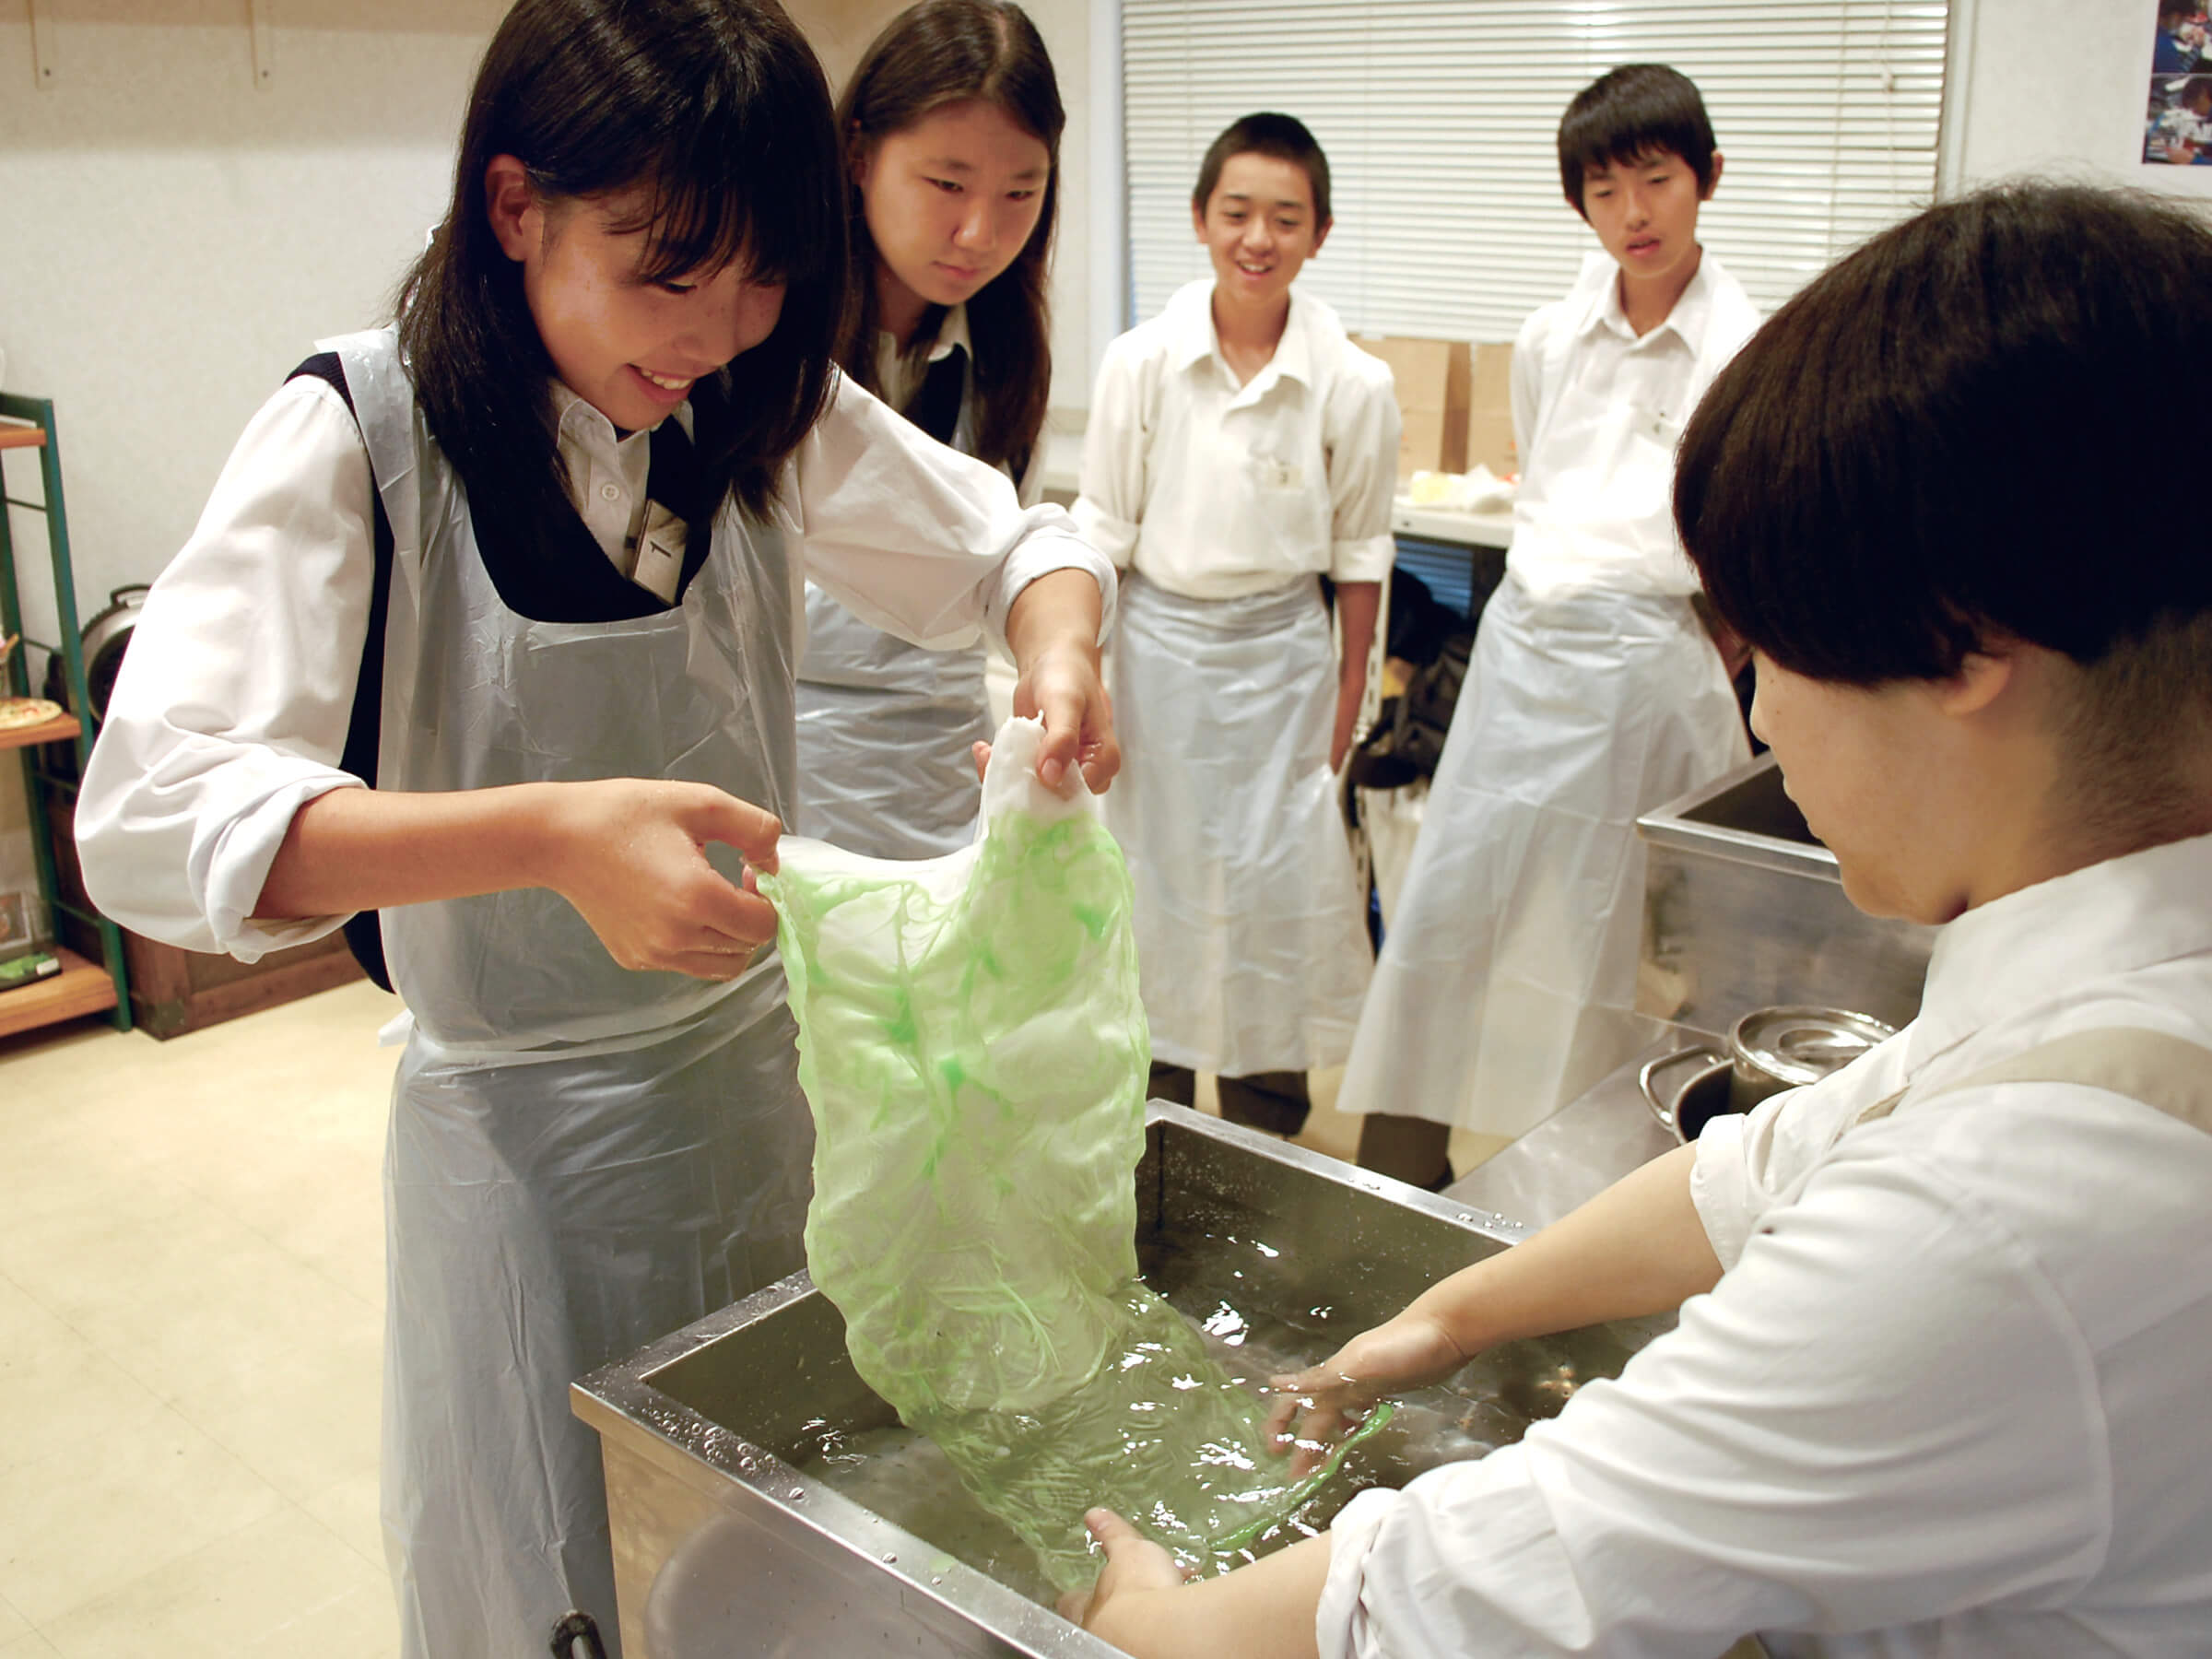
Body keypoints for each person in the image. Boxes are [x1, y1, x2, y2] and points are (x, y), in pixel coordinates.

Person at [71, 1, 1118, 1653]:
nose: (715, 327)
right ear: (515, 210)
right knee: (549, 1567)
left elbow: (1005, 545)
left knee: (757, 1548)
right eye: (664, 270)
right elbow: (152, 820)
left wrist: (1057, 651)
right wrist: (548, 836)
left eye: (764, 274)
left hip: (757, 1095)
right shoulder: (366, 433)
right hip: (520, 1147)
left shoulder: (754, 400)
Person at [1065, 180, 2212, 1657]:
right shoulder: (2108, 995)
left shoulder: (2015, 1210)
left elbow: (1505, 1575)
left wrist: (1163, 1621)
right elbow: (1772, 1161)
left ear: (1962, 640)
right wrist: (1448, 1318)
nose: (1760, 708)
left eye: (1767, 639)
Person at [1338, 65, 1759, 1189]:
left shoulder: (1745, 349)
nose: (1635, 213)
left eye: (1657, 181)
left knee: (1617, 951)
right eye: (1606, 189)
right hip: (1525, 657)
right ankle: (1397, 1178)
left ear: (1707, 179)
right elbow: (1542, 500)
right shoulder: (1550, 335)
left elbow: (1742, 532)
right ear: (1580, 203)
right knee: (1447, 914)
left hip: (1650, 667)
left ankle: (1582, 1206)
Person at [1076, 112, 1397, 1138]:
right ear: (1201, 221)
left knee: (1276, 896)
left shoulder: (1355, 381)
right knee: (1152, 892)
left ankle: (1268, 1123)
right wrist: (1088, 676)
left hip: (1285, 666)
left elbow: (1360, 560)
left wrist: (1345, 710)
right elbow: (1103, 536)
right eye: (1238, 213)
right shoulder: (1141, 361)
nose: (1259, 237)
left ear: (1322, 232)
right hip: (1157, 661)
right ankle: (1154, 1117)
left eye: (1285, 218)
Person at [794, 0, 1063, 857]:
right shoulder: (776, 337)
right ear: (859, 153)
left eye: (1020, 193)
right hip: (792, 753)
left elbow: (1015, 551)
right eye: (947, 185)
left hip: (942, 758)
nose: (980, 234)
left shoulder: (1006, 355)